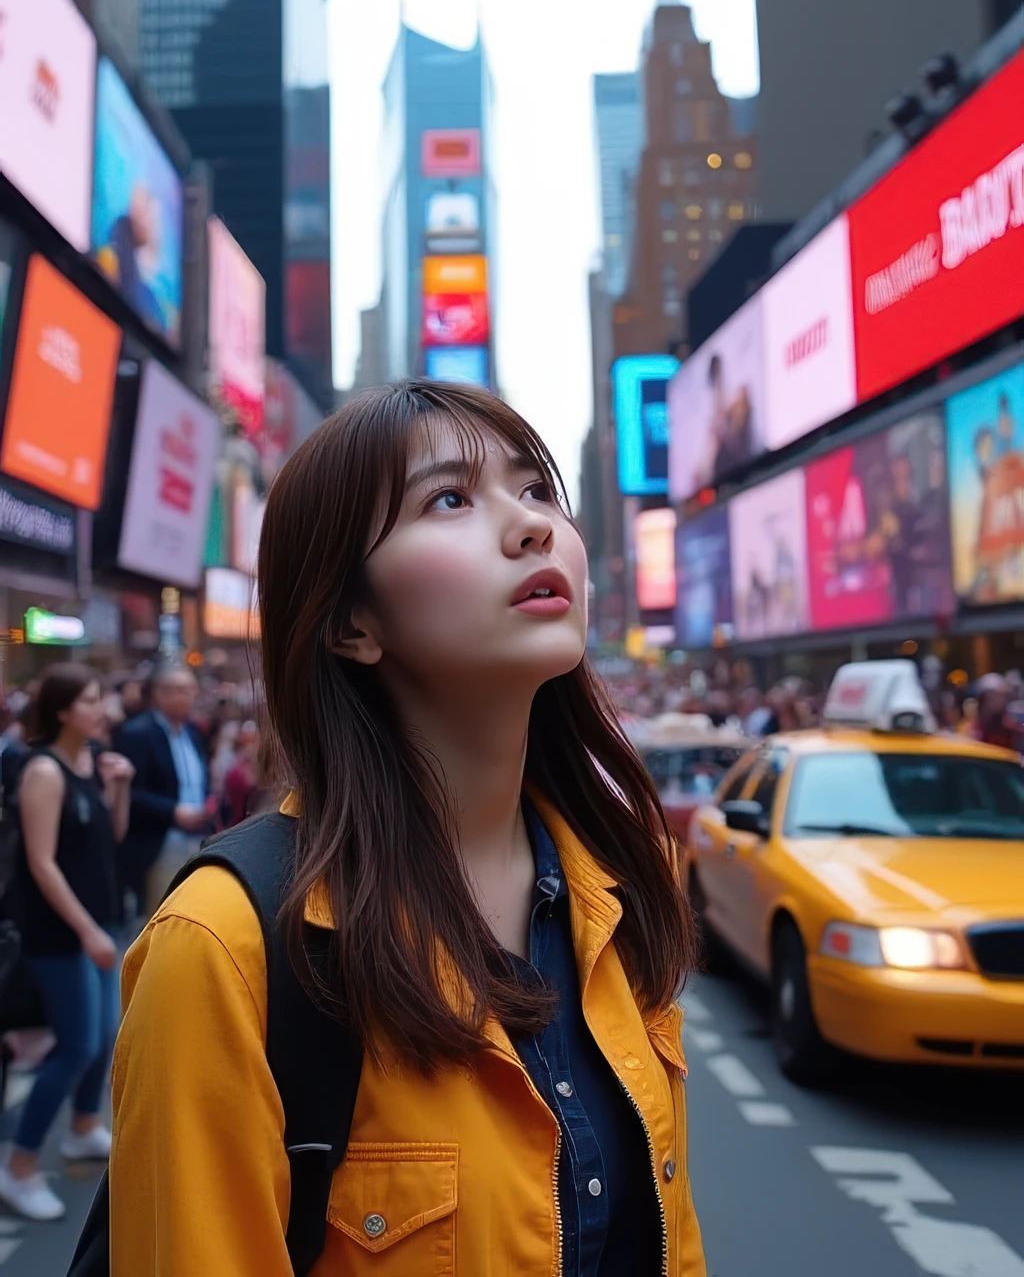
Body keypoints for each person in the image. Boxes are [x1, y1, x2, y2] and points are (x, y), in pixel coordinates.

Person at [111, 380, 705, 1275]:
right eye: (450, 499)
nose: (531, 526)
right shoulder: (226, 951)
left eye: (537, 488)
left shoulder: (622, 893)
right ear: (352, 622)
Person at [0, 665, 133, 1221]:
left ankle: (83, 1127)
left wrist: (118, 787)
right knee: (77, 1045)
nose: (103, 708)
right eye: (90, 699)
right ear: (61, 711)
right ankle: (19, 1167)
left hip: (97, 924)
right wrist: (86, 931)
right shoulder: (44, 771)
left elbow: (111, 840)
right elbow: (41, 862)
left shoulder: (89, 763)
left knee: (102, 1040)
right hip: (61, 934)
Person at [115, 666, 211, 918]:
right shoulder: (138, 733)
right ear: (160, 694)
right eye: (180, 691)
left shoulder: (191, 732)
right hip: (160, 841)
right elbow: (131, 795)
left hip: (197, 837)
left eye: (190, 690)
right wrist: (173, 812)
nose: (188, 697)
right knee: (164, 916)